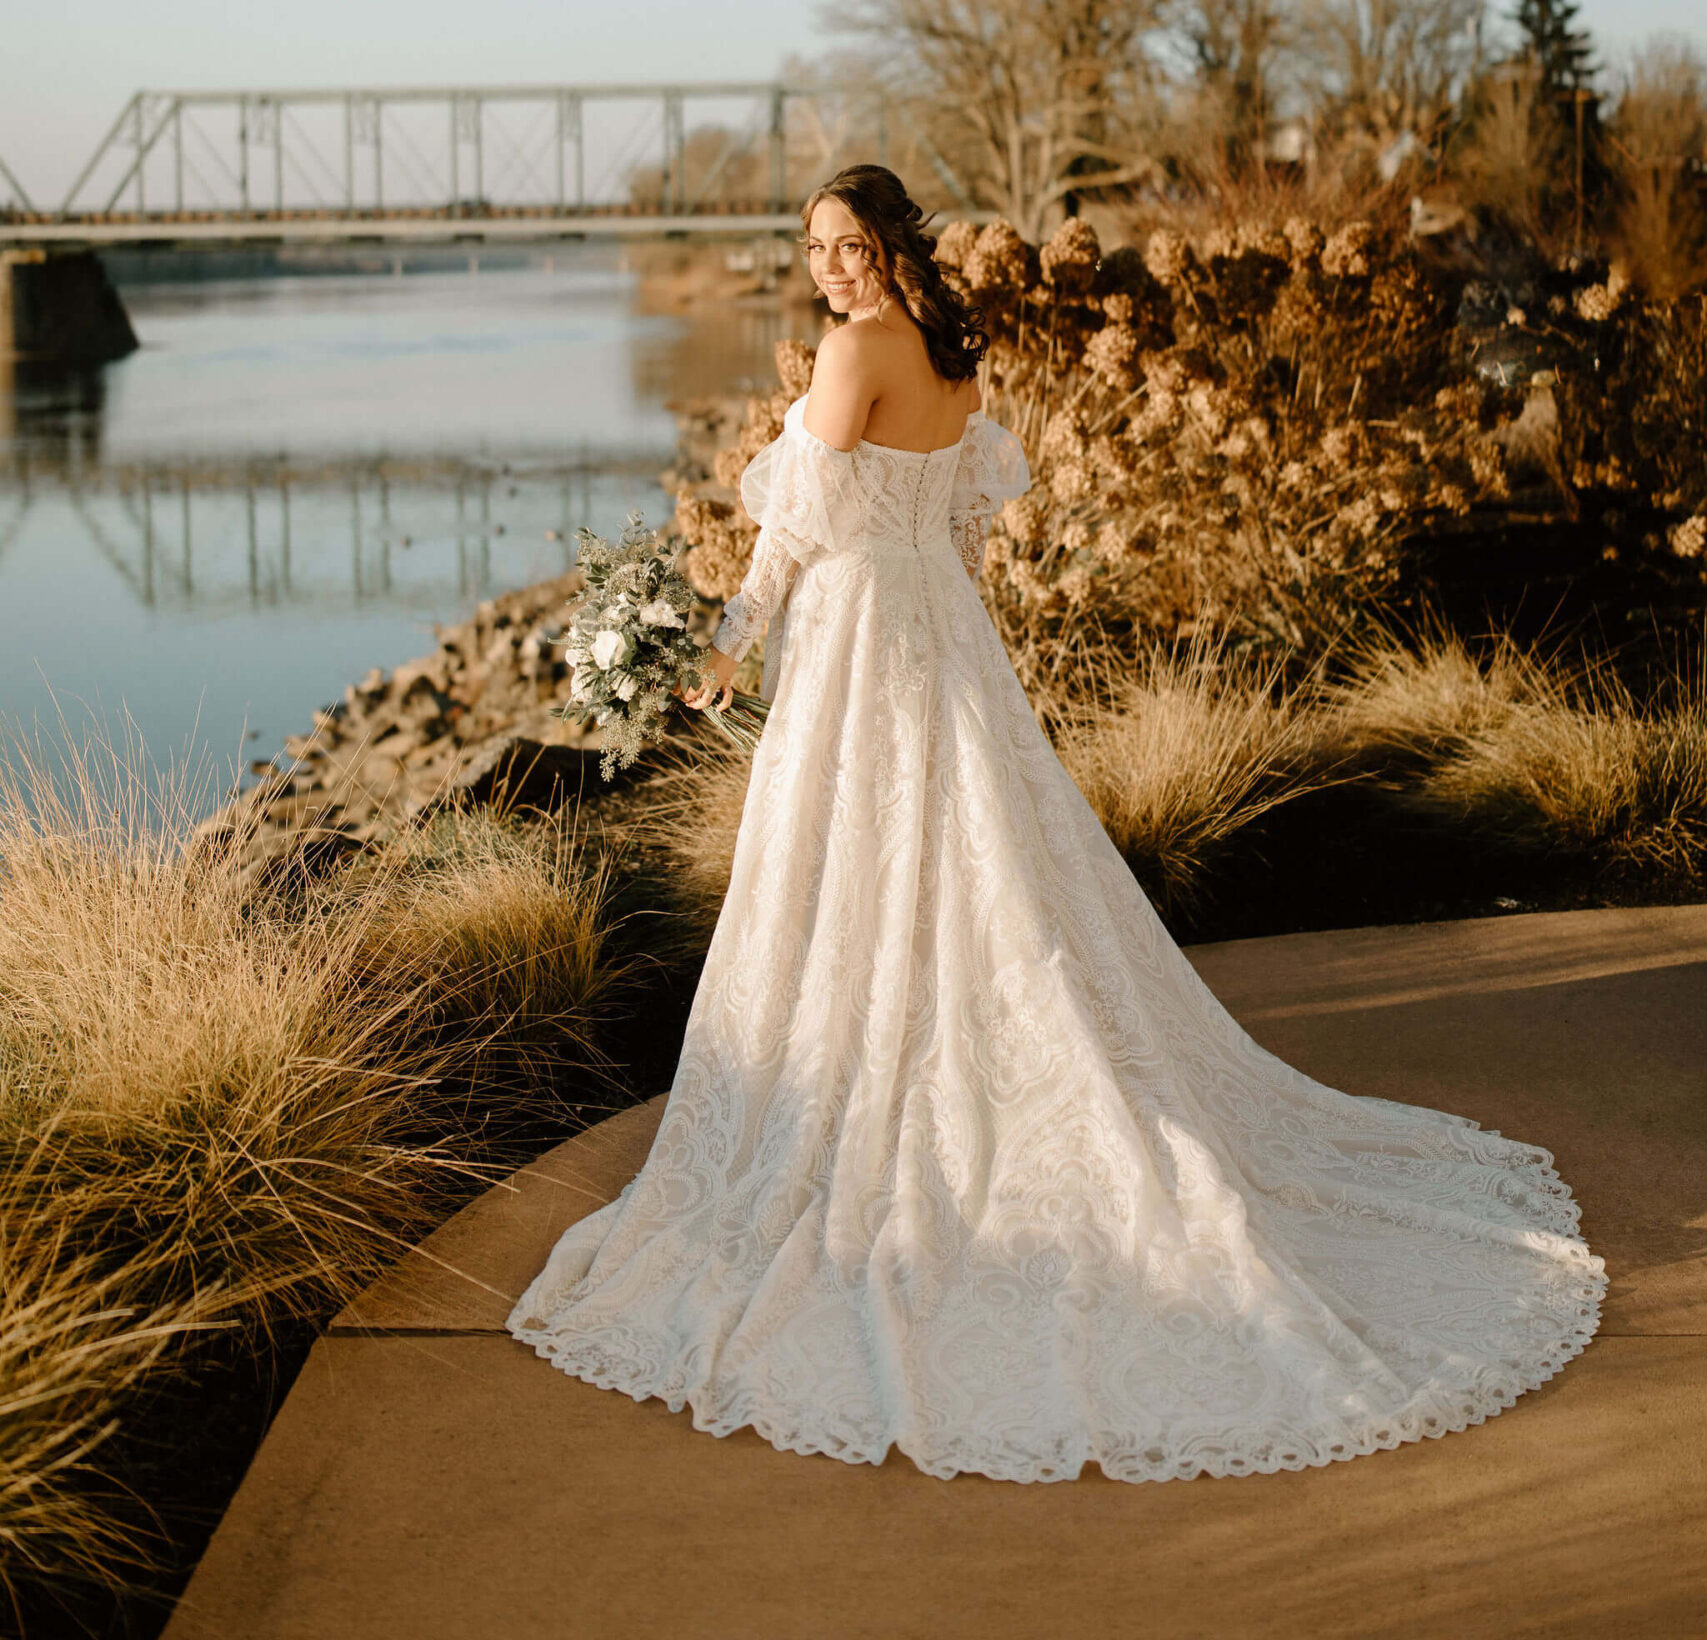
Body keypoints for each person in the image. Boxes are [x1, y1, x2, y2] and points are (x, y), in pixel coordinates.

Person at [509, 166, 1603, 1483]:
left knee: (863, 866)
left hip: (866, 644)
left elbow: (793, 535)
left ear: (890, 247)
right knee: (974, 862)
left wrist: (732, 646)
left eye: (851, 245)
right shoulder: (952, 356)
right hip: (940, 640)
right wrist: (879, 621)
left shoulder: (856, 351)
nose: (832, 268)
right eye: (815, 248)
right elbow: (957, 537)